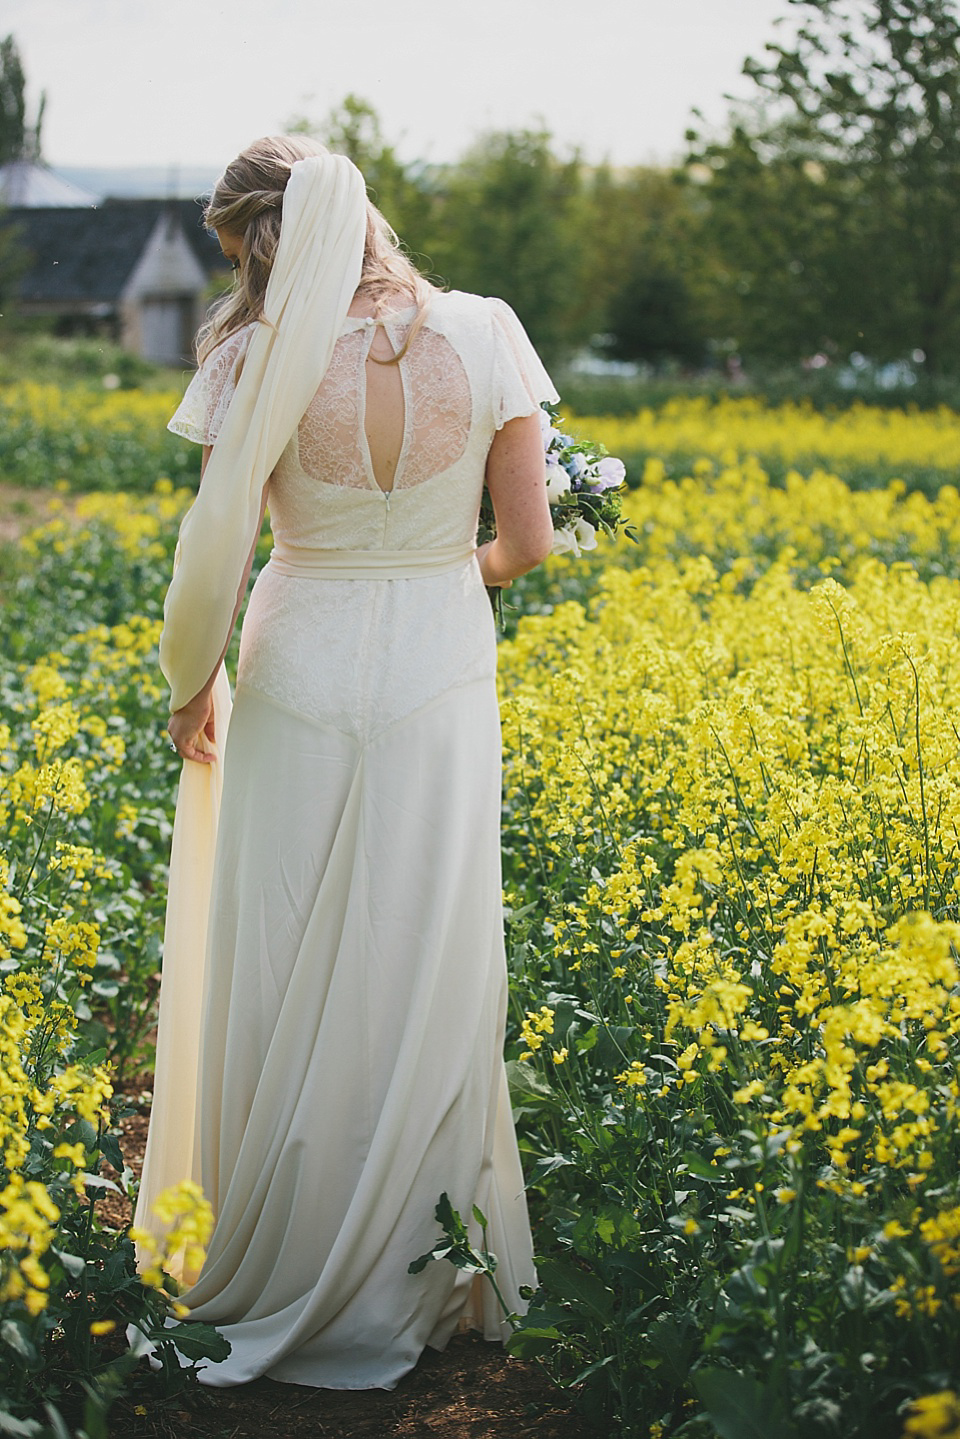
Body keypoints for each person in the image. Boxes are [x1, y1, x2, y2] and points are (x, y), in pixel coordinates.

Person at [131, 134, 557, 1390]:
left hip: (300, 654)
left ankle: (282, 1233)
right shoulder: (487, 331)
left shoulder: (253, 352)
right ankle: (422, 1264)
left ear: (257, 234)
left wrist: (188, 679)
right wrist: (435, 571)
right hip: (437, 662)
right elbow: (526, 540)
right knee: (420, 946)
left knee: (279, 941)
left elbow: (214, 543)